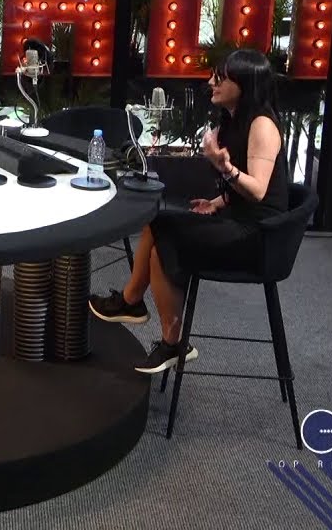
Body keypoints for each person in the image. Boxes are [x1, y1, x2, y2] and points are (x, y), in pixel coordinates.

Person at [88, 49, 289, 374]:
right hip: (239, 219)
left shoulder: (262, 125)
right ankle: (136, 305)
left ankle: (162, 332)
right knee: (157, 221)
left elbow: (258, 191)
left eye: (220, 78)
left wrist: (224, 168)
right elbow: (246, 190)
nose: (211, 83)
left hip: (260, 236)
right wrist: (218, 202)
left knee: (164, 240)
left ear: (244, 84)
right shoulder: (234, 120)